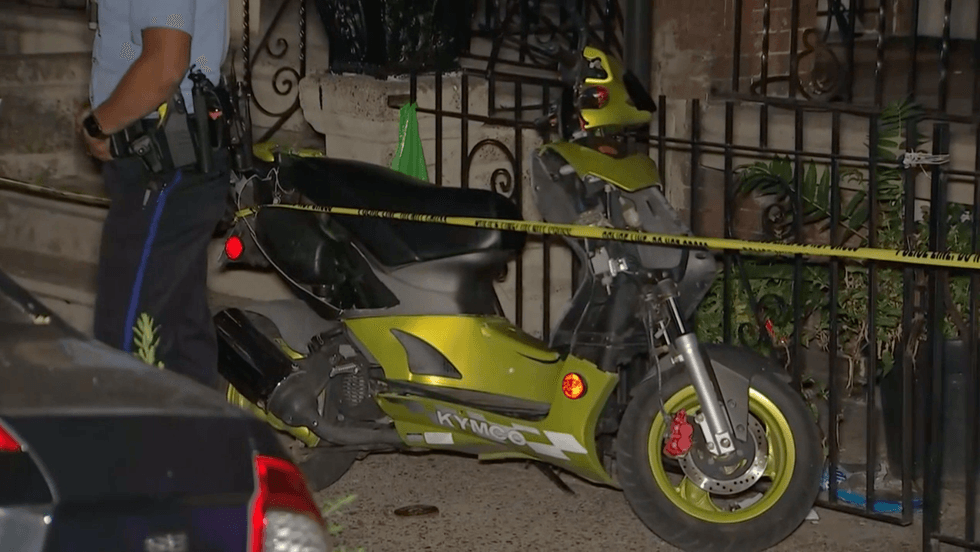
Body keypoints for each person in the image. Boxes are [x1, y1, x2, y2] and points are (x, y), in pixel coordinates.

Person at [77, 0, 231, 389]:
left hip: (164, 163)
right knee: (179, 341)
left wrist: (99, 124)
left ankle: (129, 450)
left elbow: (165, 65)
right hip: (169, 165)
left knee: (128, 345)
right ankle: (202, 448)